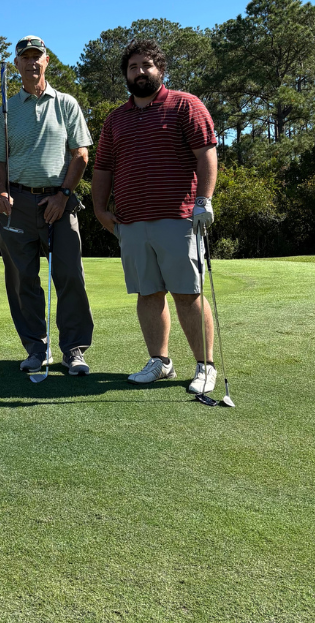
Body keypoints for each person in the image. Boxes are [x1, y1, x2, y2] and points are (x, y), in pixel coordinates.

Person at [91, 38, 219, 393]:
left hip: (178, 218)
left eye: (146, 65)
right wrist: (101, 209)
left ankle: (205, 365)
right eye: (133, 67)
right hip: (131, 221)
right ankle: (160, 362)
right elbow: (102, 168)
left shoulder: (185, 105)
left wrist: (204, 199)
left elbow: (206, 154)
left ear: (160, 70)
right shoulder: (116, 119)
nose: (140, 72)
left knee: (187, 292)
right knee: (148, 293)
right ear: (126, 75)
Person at [0, 35, 94, 375]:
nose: (32, 62)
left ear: (47, 61)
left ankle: (74, 350)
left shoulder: (66, 104)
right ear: (17, 64)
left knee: (70, 275)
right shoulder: (6, 110)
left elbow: (81, 154)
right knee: (22, 280)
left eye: (38, 57)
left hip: (58, 203)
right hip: (17, 202)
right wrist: (0, 191)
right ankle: (36, 348)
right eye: (25, 57)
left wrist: (63, 194)